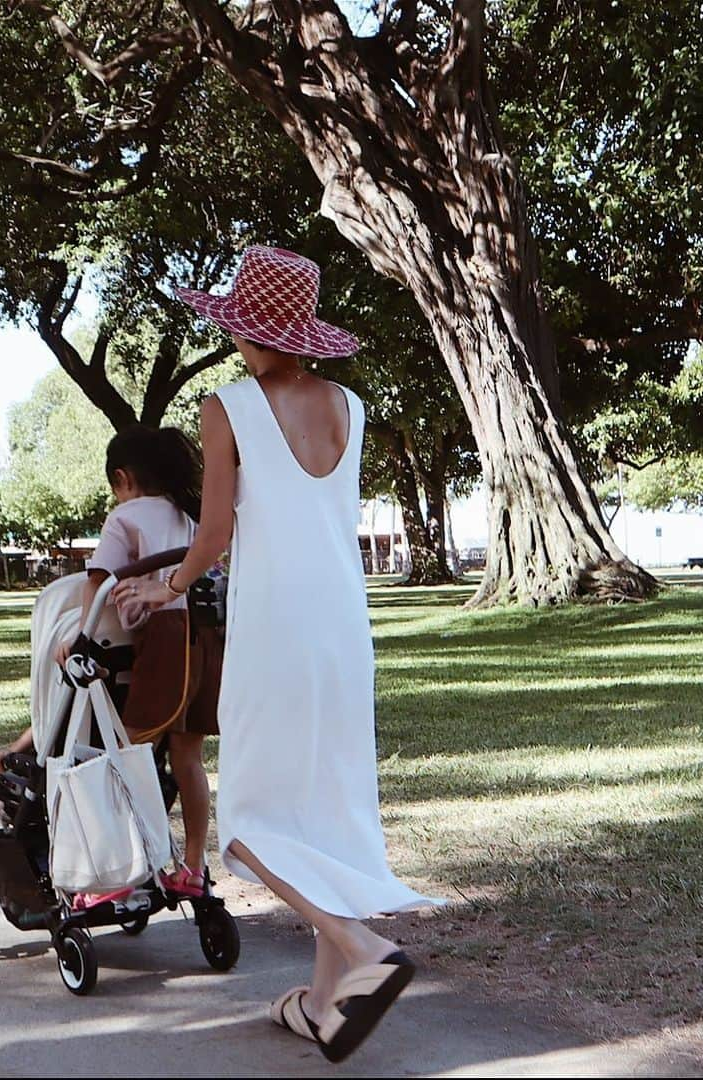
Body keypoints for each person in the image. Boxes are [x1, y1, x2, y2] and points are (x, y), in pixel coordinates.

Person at [113, 246, 441, 1063]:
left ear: (241, 331)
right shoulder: (349, 406)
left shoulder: (227, 407)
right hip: (343, 632)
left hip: (274, 630)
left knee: (250, 821)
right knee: (330, 813)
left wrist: (166, 588)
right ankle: (325, 1004)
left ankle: (358, 946)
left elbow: (216, 534)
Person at [0, 424, 222, 903]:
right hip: (206, 645)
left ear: (123, 479)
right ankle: (195, 866)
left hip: (164, 646)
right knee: (187, 759)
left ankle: (114, 874)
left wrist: (81, 635)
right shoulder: (194, 517)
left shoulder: (125, 518)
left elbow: (97, 580)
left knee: (119, 757)